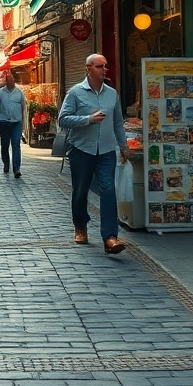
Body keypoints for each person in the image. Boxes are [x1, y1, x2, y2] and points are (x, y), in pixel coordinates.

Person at [57, 52, 128, 253]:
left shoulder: (112, 94)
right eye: (99, 66)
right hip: (81, 150)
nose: (104, 69)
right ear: (88, 68)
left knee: (108, 190)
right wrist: (88, 119)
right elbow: (62, 120)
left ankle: (110, 237)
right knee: (80, 191)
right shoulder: (75, 93)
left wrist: (123, 146)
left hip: (106, 150)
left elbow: (117, 123)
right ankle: (80, 225)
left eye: (105, 66)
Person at [0, 71, 27, 178]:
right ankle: (6, 164)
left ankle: (16, 168)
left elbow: (23, 108)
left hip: (16, 123)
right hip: (4, 123)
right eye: (8, 79)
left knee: (16, 145)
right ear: (5, 81)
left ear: (14, 80)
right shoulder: (0, 93)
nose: (10, 81)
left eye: (12, 79)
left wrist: (23, 123)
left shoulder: (19, 93)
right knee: (5, 146)